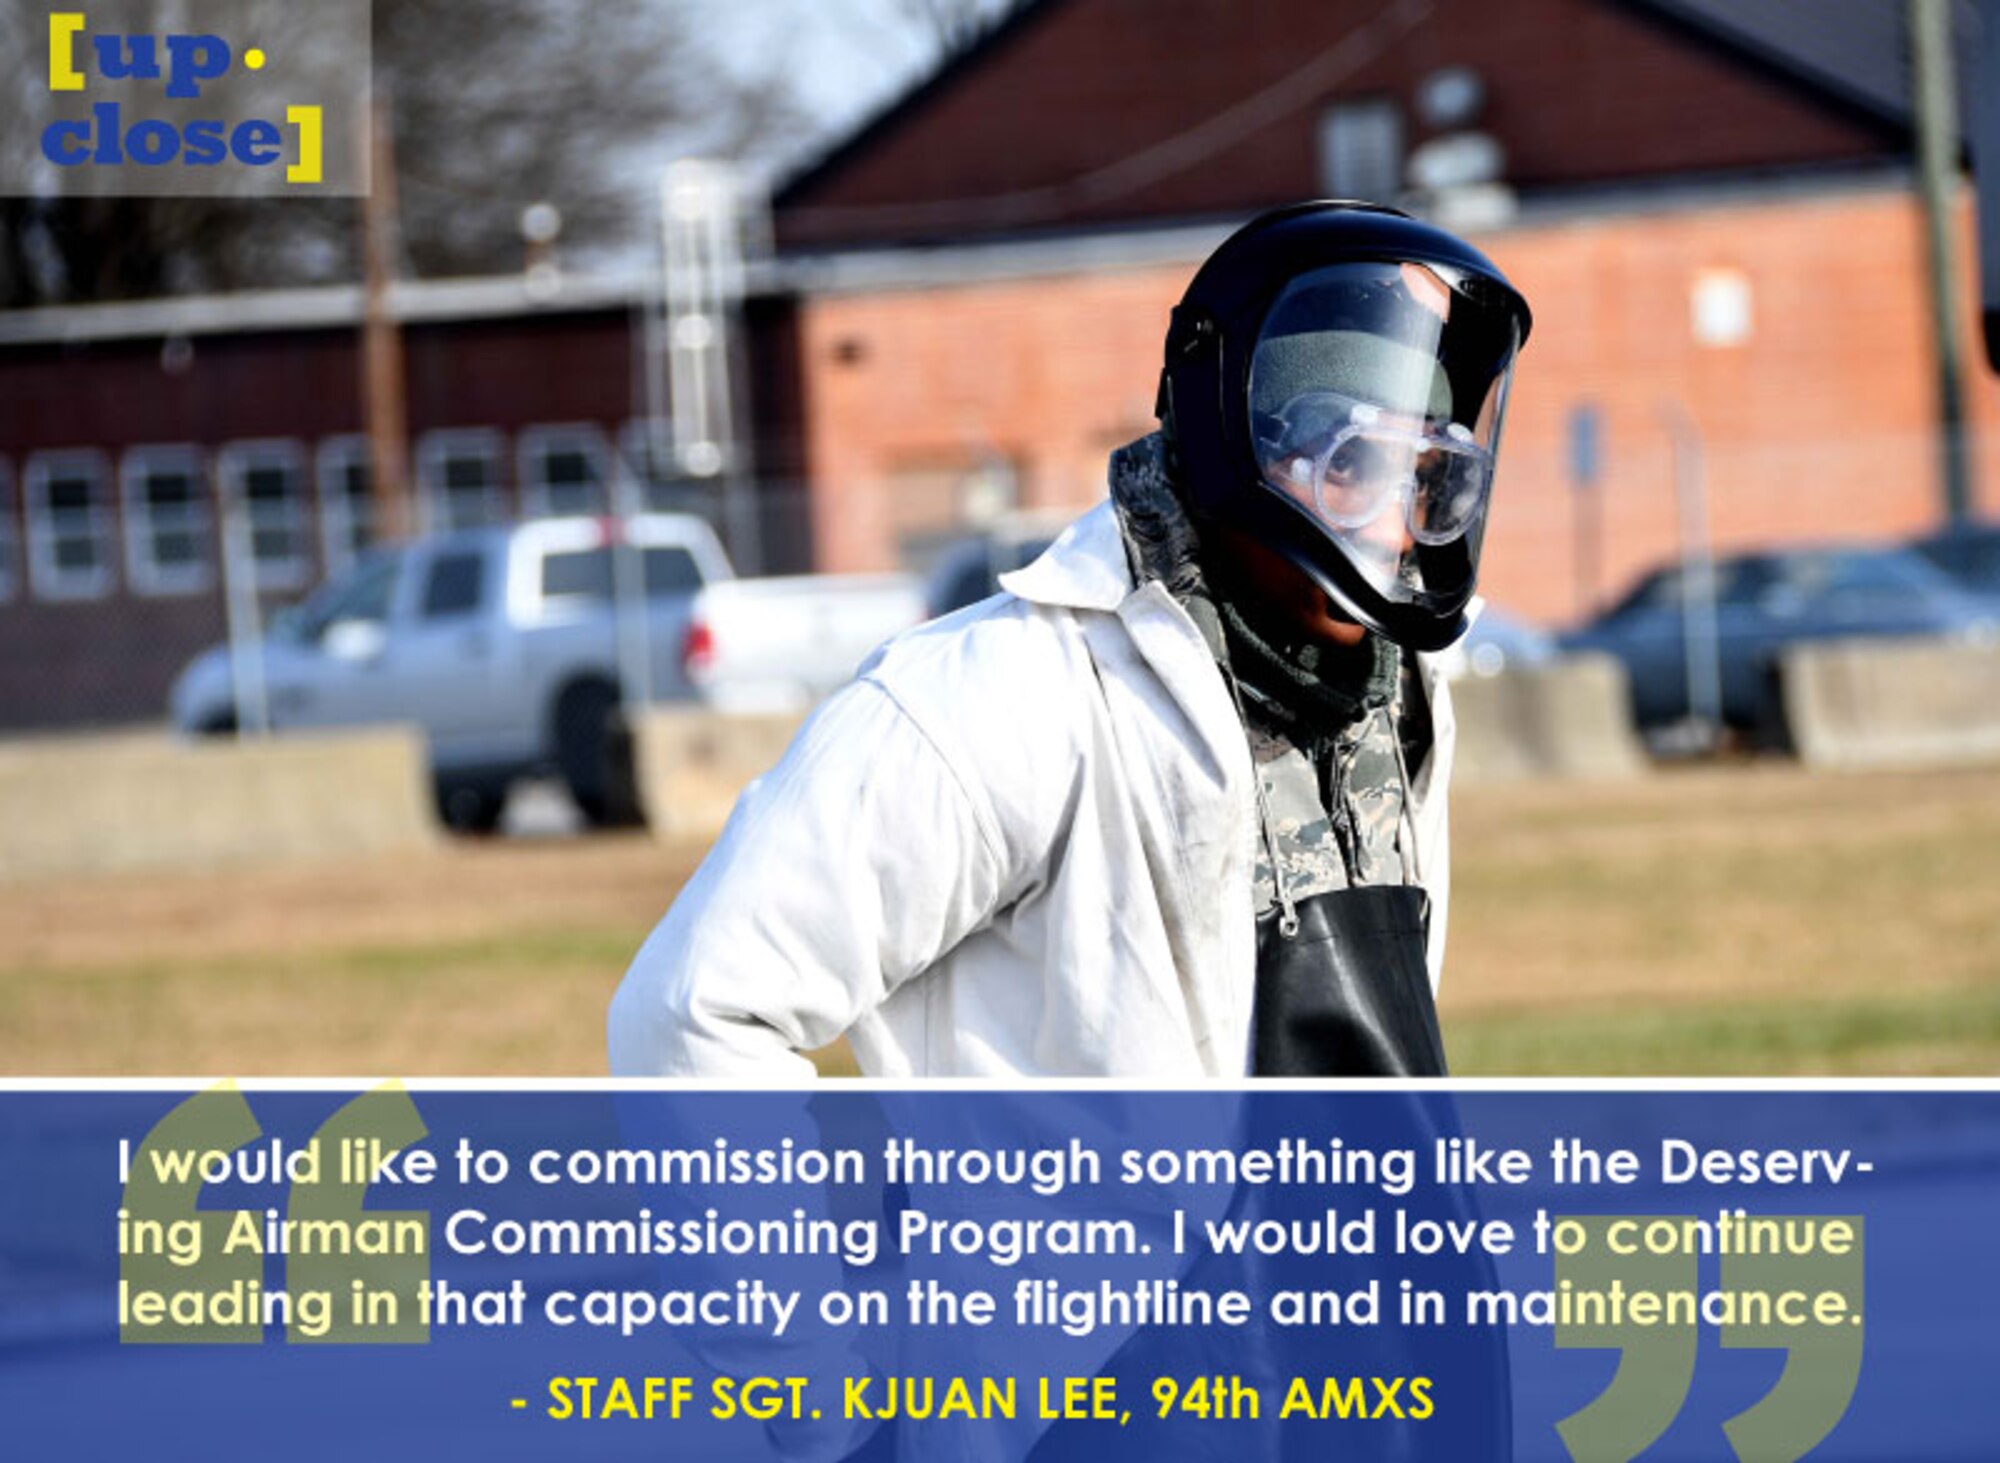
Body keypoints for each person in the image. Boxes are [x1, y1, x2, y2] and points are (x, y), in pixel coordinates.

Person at [608, 201, 1532, 1079]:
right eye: (1354, 467)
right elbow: (694, 1017)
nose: (1397, 529)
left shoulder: (1395, 692)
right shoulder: (999, 697)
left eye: (1426, 480)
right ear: (1239, 445)